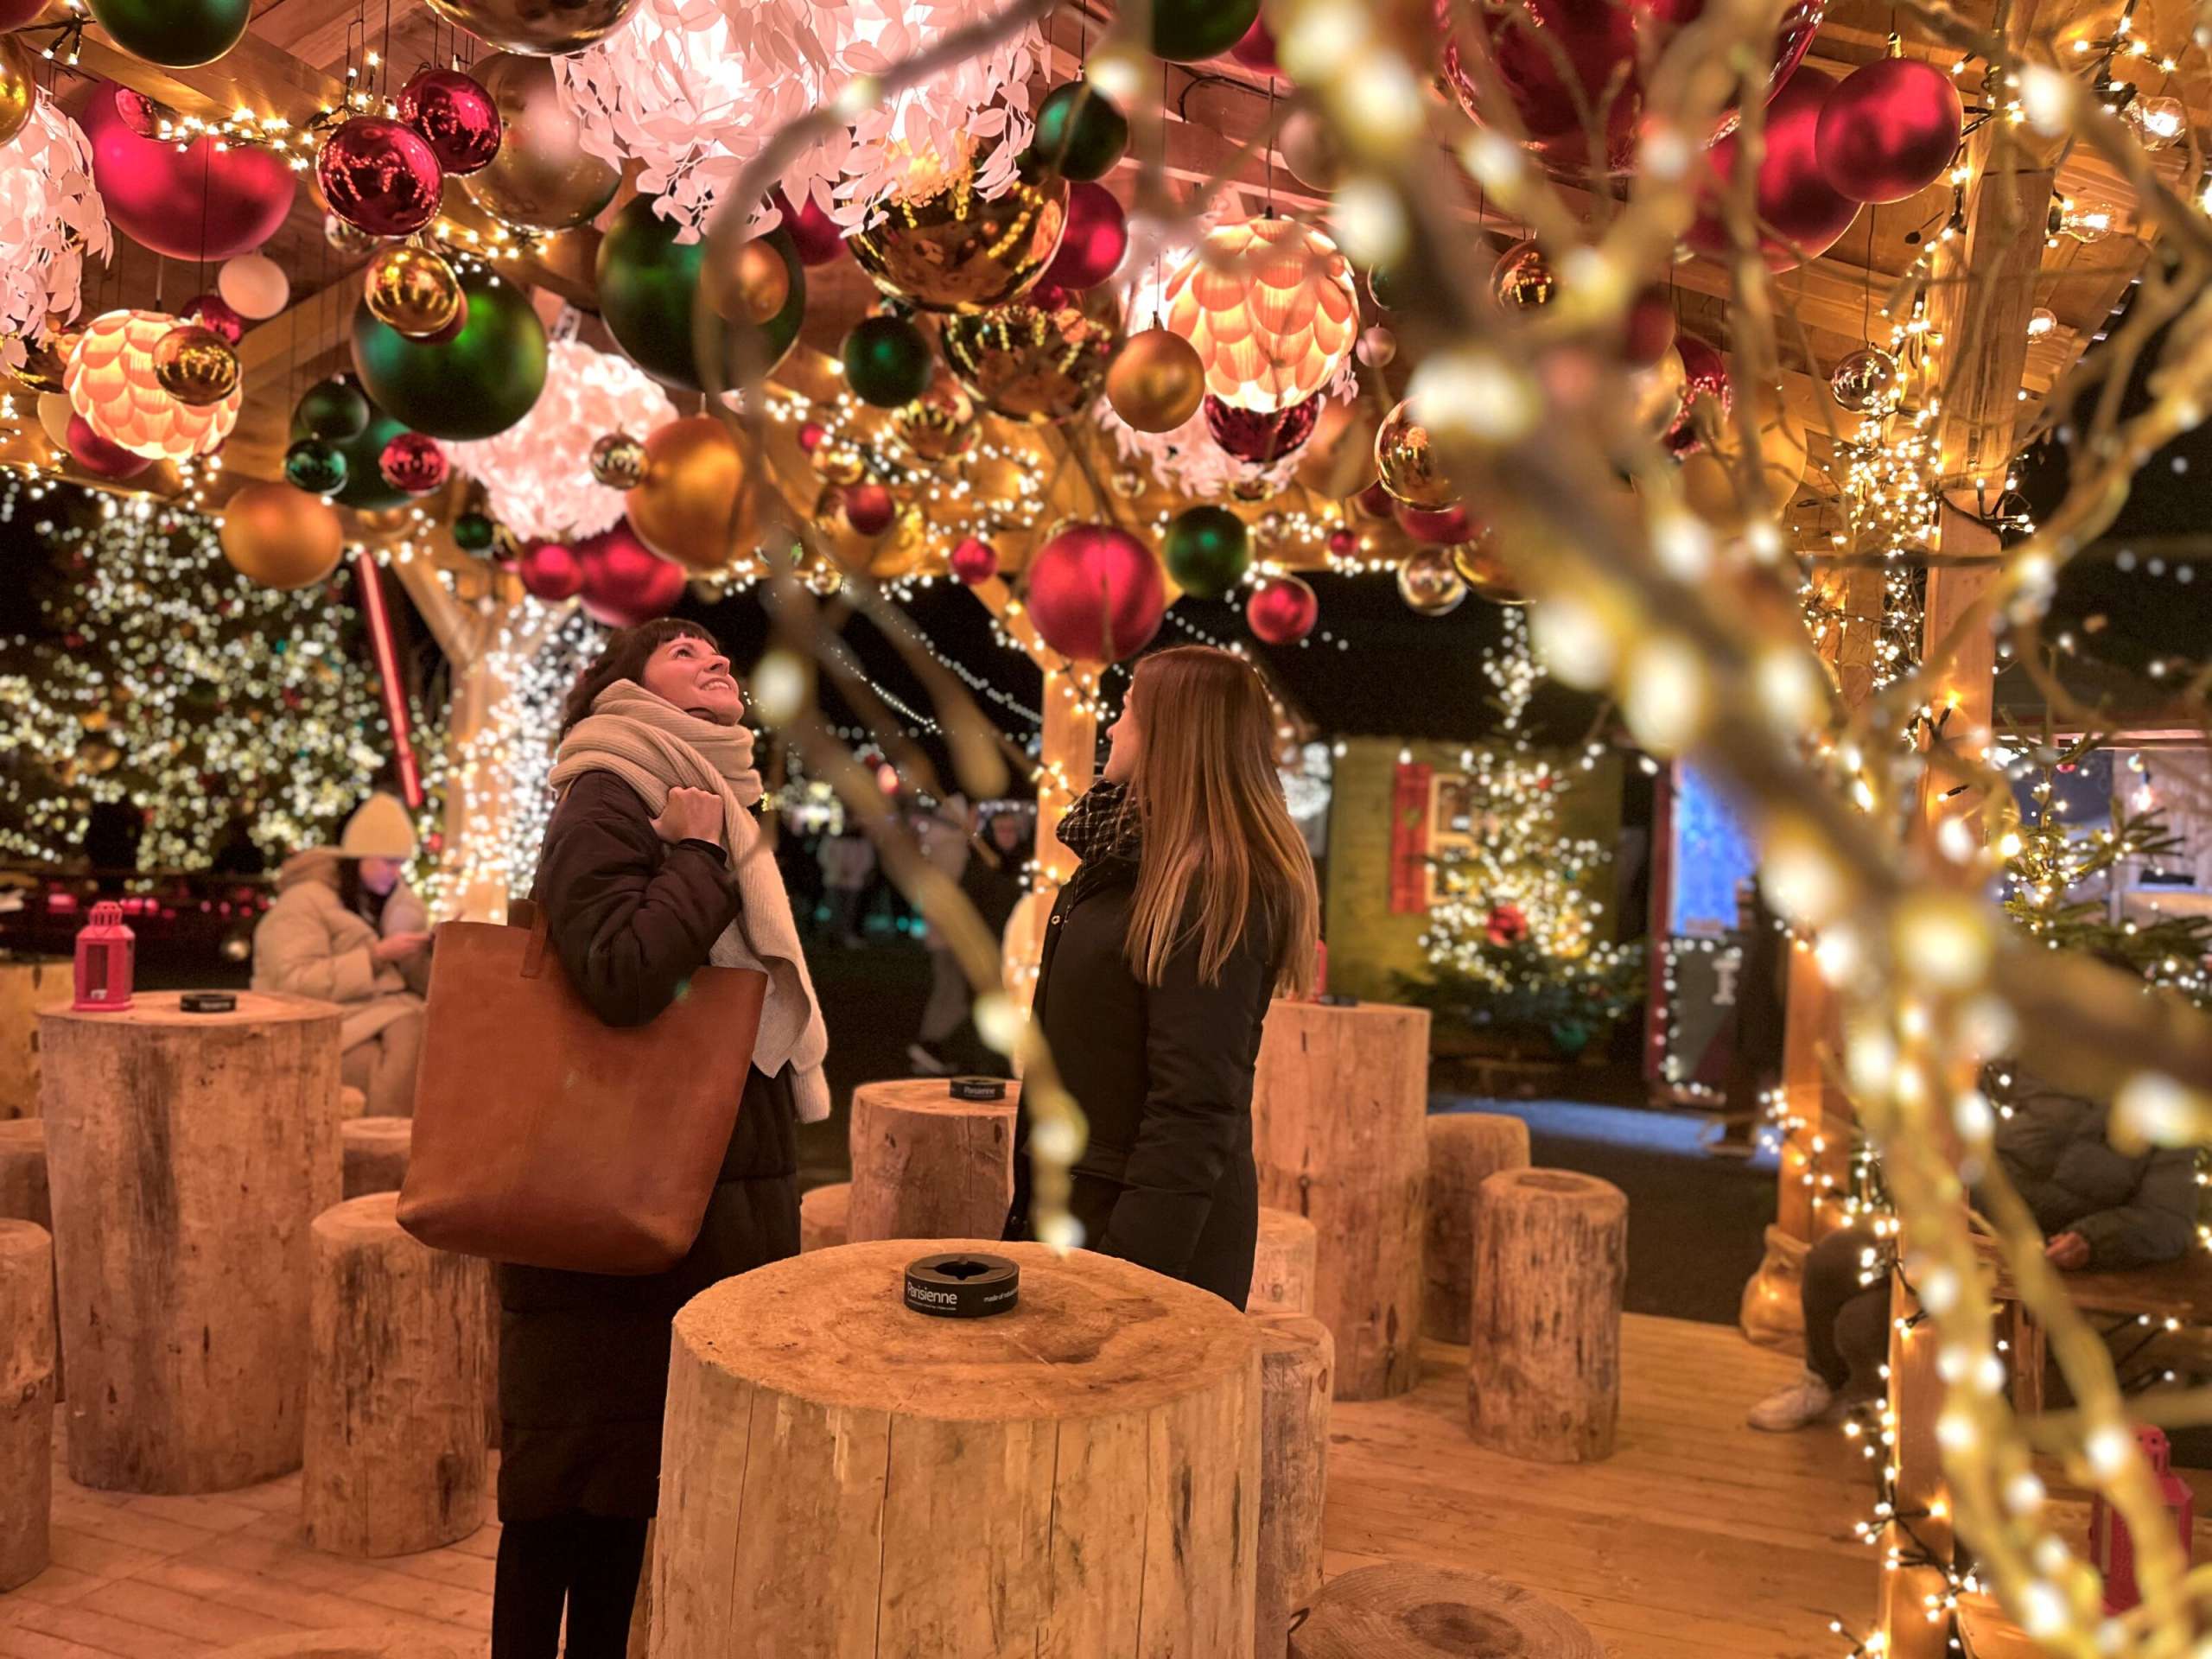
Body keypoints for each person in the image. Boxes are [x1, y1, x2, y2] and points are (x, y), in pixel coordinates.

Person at [493, 619, 828, 1657]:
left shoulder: (714, 795)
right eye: (683, 652)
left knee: (623, 1492)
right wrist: (692, 853)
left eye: (718, 651)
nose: (715, 658)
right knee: (566, 1494)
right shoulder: (611, 788)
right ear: (628, 685)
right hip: (613, 1191)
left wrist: (704, 842)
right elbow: (618, 970)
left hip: (681, 1189)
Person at [1005, 645, 1319, 1306]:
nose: (1112, 726)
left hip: (1144, 1243)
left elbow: (1193, 1108)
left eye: (1127, 711)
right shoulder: (1122, 856)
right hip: (1083, 1209)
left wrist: (1126, 1280)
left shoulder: (1212, 889)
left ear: (1172, 734)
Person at [1750, 1064, 2197, 1431]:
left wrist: (2094, 1239)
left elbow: (2168, 1220)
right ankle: (1820, 1383)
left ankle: (1896, 1416)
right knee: (1831, 1261)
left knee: (1867, 1326)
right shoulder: (2024, 1065)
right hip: (1959, 1222)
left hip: (2038, 1257)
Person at [251, 792, 429, 1116]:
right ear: (359, 857)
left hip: (376, 1012)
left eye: (401, 864)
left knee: (427, 1033)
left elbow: (422, 985)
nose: (396, 873)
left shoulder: (398, 906)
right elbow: (292, 981)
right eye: (389, 862)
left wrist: (425, 952)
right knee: (408, 1038)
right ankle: (390, 1136)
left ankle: (395, 1135)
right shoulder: (304, 903)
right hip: (322, 1017)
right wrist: (375, 956)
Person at [907, 794, 973, 1076]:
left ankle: (930, 1049)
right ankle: (929, 1044)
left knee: (949, 990)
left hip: (942, 931)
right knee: (953, 993)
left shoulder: (939, 844)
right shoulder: (951, 847)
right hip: (950, 933)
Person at [818, 825, 876, 947]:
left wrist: (854, 871)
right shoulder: (832, 840)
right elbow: (824, 857)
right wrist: (837, 870)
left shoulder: (862, 842)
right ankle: (835, 935)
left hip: (854, 881)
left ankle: (846, 935)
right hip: (834, 880)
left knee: (850, 910)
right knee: (835, 909)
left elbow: (867, 860)